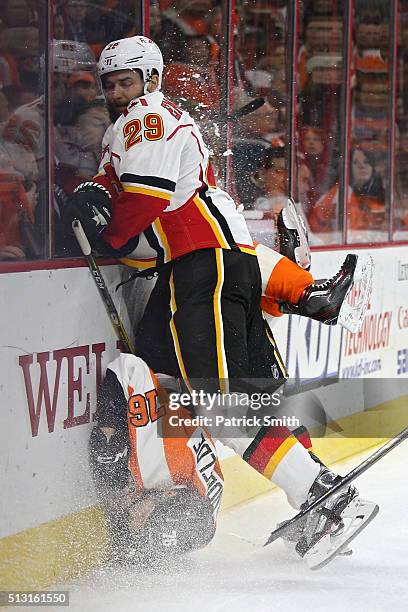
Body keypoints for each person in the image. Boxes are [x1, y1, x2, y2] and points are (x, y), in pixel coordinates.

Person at [66, 36, 378, 568]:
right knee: (188, 390)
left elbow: (143, 198)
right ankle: (287, 495)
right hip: (206, 272)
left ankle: (323, 497)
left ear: (152, 78)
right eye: (110, 83)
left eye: (127, 81)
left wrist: (107, 231)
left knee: (222, 403)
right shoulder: (141, 125)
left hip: (201, 270)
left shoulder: (145, 119)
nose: (119, 93)